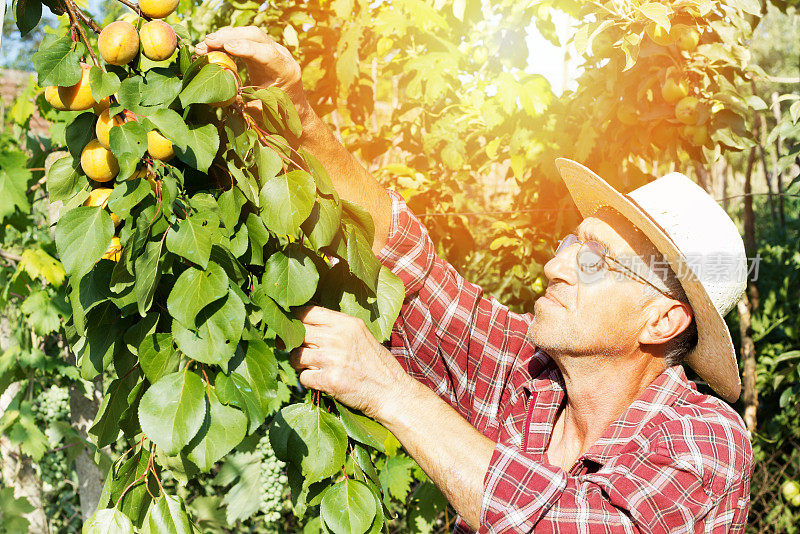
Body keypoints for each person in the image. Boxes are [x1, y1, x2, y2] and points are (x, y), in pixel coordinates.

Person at [197, 27, 754, 533]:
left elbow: (567, 524)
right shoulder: (528, 378)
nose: (555, 266)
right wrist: (298, 115)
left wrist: (388, 390)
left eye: (593, 260)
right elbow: (410, 266)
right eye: (568, 244)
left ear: (663, 319)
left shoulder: (704, 441)